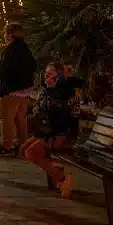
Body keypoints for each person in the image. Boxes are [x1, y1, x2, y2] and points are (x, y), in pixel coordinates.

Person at [21, 63, 83, 197]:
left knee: (31, 152)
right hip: (47, 131)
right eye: (45, 74)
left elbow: (61, 115)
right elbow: (41, 110)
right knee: (23, 150)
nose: (46, 77)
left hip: (62, 133)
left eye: (50, 74)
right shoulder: (48, 89)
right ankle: (55, 171)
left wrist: (50, 92)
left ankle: (61, 177)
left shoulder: (68, 92)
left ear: (59, 76)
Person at [0, 23, 37, 156]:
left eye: (6, 33)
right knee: (20, 118)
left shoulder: (9, 50)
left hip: (10, 89)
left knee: (5, 117)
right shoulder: (25, 49)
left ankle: (7, 146)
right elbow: (33, 66)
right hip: (23, 89)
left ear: (10, 34)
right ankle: (22, 144)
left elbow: (4, 68)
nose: (5, 36)